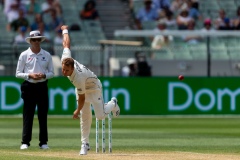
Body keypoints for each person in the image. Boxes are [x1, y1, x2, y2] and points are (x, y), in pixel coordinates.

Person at [60, 25, 120, 155]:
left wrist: (76, 110)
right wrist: (65, 30)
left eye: (67, 71)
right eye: (63, 69)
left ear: (72, 69)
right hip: (82, 88)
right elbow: (66, 44)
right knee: (85, 117)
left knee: (100, 116)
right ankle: (85, 144)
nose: (64, 72)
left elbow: (82, 99)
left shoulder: (78, 77)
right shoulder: (65, 59)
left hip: (93, 87)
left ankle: (113, 104)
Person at [16, 30, 54, 150]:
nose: (36, 42)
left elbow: (52, 73)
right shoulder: (24, 55)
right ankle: (25, 142)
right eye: (34, 40)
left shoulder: (47, 55)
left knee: (43, 115)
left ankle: (43, 142)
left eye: (38, 40)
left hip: (42, 86)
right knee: (28, 115)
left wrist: (43, 75)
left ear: (40, 40)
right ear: (30, 41)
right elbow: (18, 73)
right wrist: (29, 75)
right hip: (29, 87)